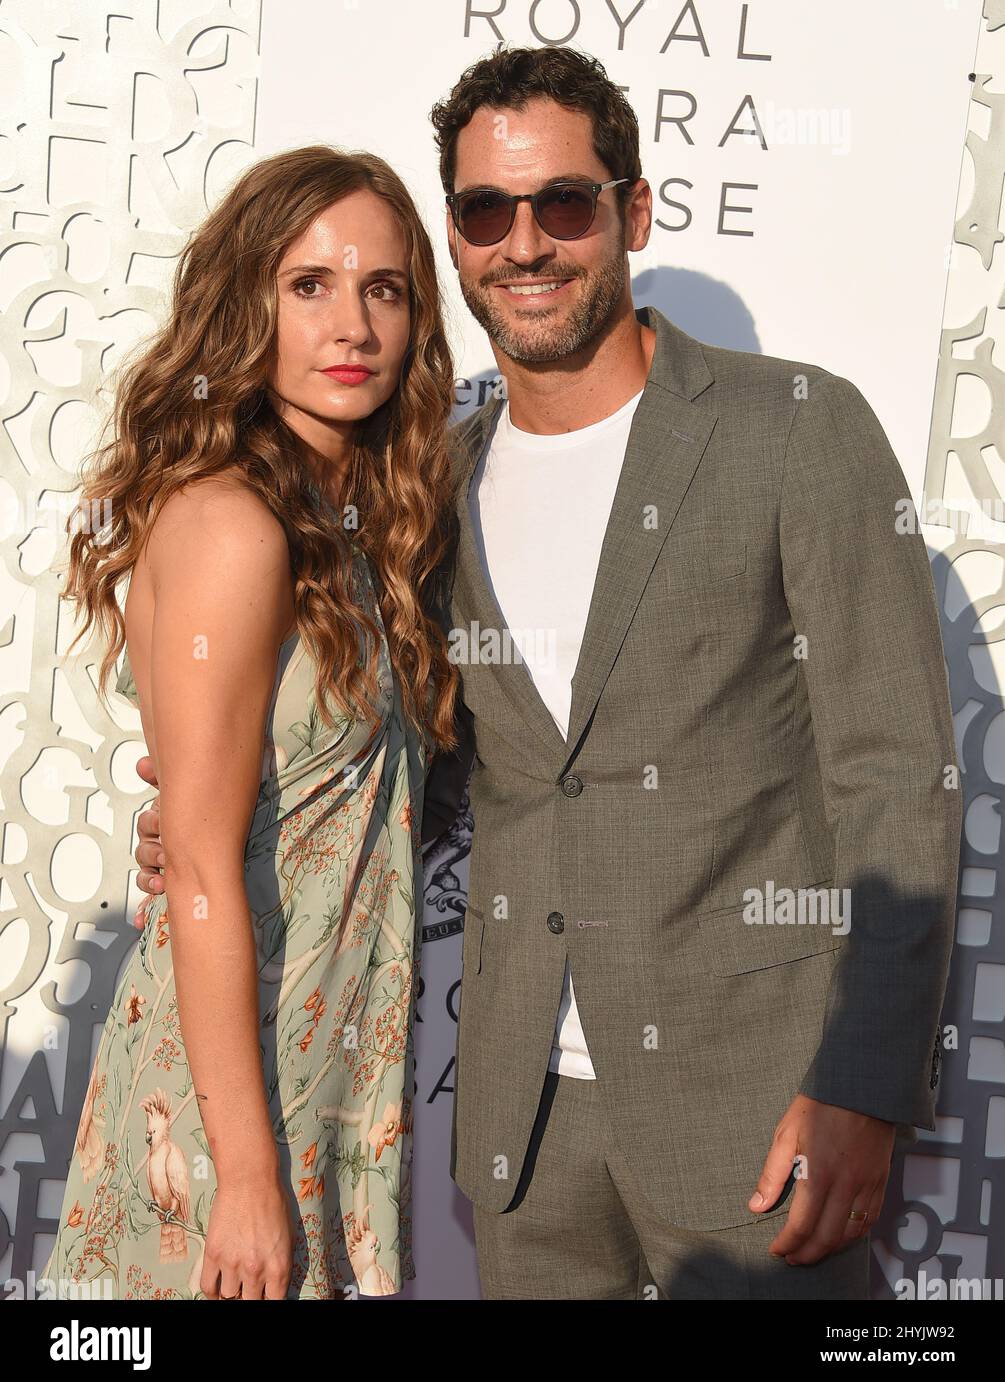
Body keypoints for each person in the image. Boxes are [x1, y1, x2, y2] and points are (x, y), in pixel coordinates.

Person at [133, 46, 963, 1300]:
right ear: (455, 244)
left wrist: (863, 1083)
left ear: (631, 210)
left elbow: (899, 773)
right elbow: (442, 774)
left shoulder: (795, 426)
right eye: (483, 212)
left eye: (564, 203)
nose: (525, 244)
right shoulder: (433, 489)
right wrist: (227, 817)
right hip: (524, 1138)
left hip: (757, 1119)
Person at [44, 145, 462, 1300]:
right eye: (309, 284)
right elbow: (201, 869)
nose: (355, 324)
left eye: (384, 287)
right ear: (248, 305)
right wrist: (242, 1173)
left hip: (325, 1067)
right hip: (236, 1091)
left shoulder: (357, 532)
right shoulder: (237, 527)